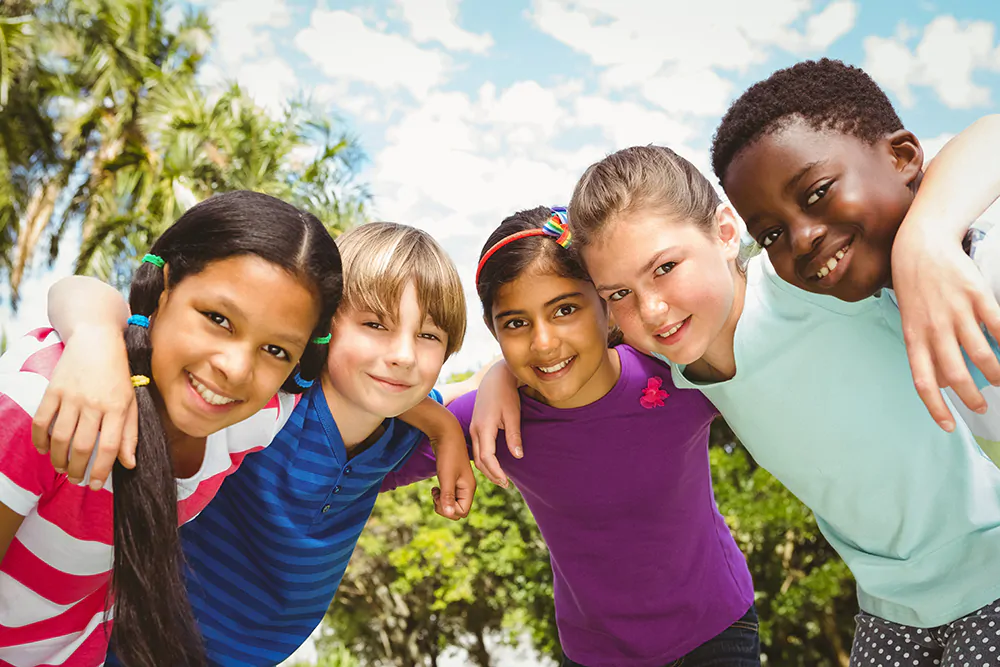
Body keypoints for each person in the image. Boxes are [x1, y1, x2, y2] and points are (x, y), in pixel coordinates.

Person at [40, 221, 477, 665]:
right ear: (320, 326)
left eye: (428, 336)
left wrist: (444, 424)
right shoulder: (259, 401)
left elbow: (483, 385)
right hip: (133, 648)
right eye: (374, 324)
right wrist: (93, 337)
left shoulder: (402, 429)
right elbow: (77, 292)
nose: (403, 354)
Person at [383, 206, 759, 666]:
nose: (543, 342)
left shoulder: (672, 372)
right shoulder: (491, 420)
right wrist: (447, 414)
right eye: (516, 323)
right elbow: (360, 456)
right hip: (597, 654)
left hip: (717, 628)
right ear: (494, 331)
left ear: (605, 303)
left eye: (565, 309)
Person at [0, 190, 342, 667]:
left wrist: (456, 415)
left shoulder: (255, 416)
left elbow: (383, 381)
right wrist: (95, 334)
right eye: (218, 319)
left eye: (277, 350)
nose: (236, 368)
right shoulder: (47, 408)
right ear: (164, 290)